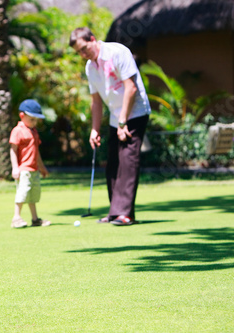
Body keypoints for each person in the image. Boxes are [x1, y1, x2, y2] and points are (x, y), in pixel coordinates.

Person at [69, 27, 151, 226]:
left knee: (128, 161)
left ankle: (126, 214)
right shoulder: (90, 67)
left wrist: (124, 121)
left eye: (84, 48)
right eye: (79, 52)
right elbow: (96, 101)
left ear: (93, 39)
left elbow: (131, 88)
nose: (83, 54)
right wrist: (95, 129)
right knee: (113, 163)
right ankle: (115, 212)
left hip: (135, 112)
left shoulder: (117, 52)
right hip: (116, 117)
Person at [9, 99, 51, 228]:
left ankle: (35, 219)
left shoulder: (34, 132)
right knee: (22, 193)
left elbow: (36, 152)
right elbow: (13, 150)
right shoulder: (18, 130)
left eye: (36, 120)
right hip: (24, 169)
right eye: (32, 119)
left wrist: (42, 167)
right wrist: (15, 168)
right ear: (22, 116)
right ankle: (16, 217)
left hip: (34, 169)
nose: (35, 122)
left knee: (34, 194)